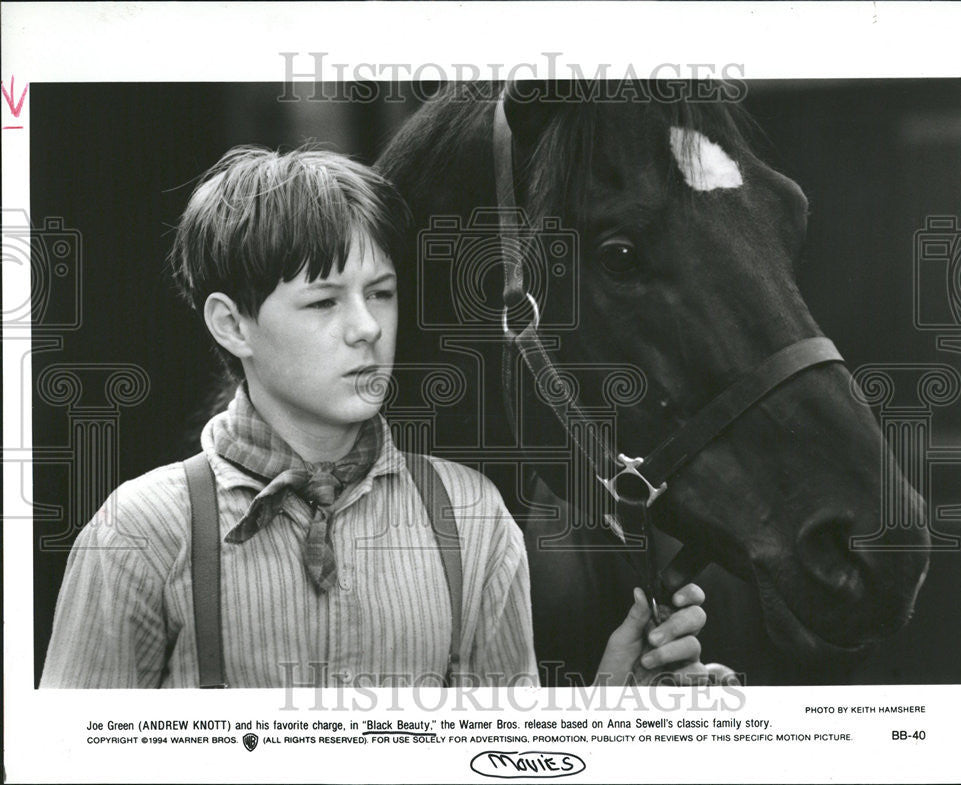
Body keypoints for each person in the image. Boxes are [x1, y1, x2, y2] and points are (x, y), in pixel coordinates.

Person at [40, 147, 714, 689]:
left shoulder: (473, 517)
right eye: (323, 302)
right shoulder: (140, 533)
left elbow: (508, 764)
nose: (366, 329)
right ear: (231, 323)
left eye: (382, 293)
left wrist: (616, 708)